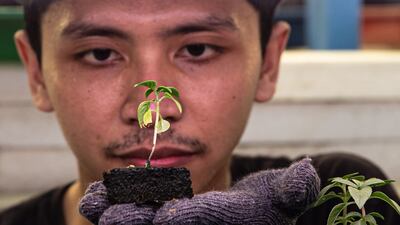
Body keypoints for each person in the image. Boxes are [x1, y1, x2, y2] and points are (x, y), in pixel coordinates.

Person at [0, 0, 399, 224]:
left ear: (268, 63)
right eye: (100, 54)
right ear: (36, 73)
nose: (154, 108)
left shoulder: (333, 196)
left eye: (197, 50)